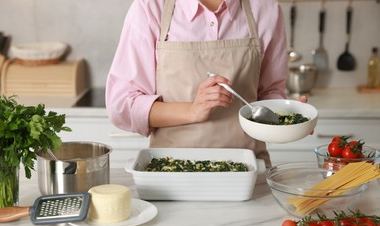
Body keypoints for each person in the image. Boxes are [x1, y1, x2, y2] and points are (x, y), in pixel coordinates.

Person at [106, 0, 297, 168]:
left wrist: (288, 118)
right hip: (169, 173)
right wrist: (192, 111)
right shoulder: (151, 8)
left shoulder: (266, 9)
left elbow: (270, 93)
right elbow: (123, 105)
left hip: (248, 173)